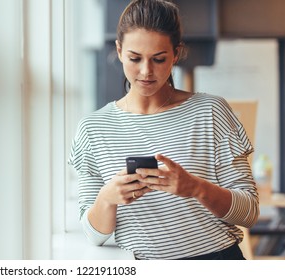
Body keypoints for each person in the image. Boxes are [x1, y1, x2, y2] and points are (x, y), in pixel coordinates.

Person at [68, 0, 259, 260]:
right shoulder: (93, 129)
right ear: (119, 50)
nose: (146, 72)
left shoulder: (211, 111)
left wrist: (195, 188)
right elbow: (95, 235)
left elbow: (249, 212)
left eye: (159, 59)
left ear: (176, 53)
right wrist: (107, 198)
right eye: (135, 58)